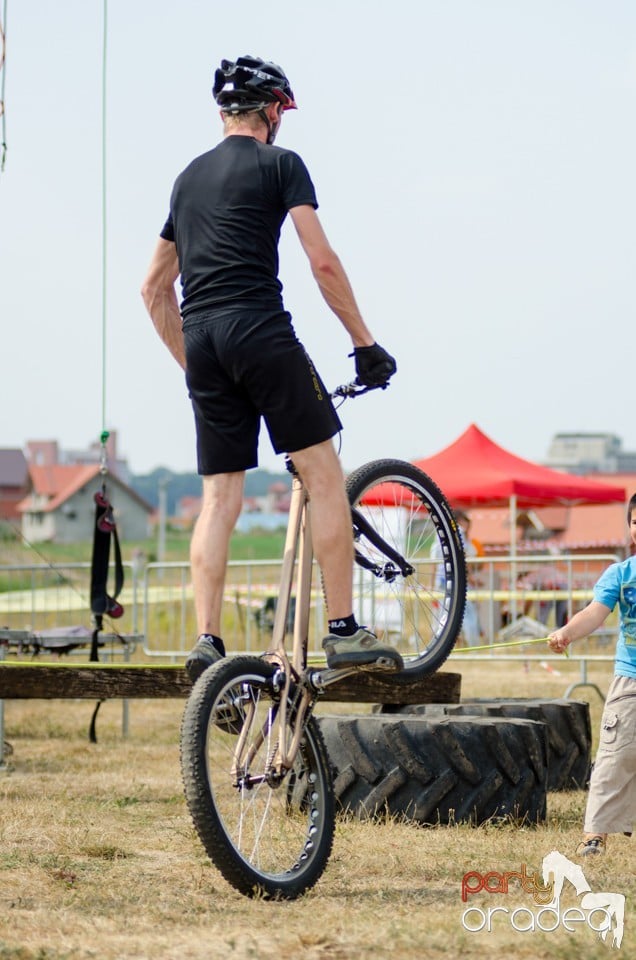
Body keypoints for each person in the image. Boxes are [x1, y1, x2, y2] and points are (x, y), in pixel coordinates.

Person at [141, 55, 401, 682]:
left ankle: (208, 643)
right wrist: (365, 342)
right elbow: (323, 263)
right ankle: (343, 632)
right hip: (259, 326)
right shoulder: (281, 164)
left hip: (201, 340)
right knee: (323, 474)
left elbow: (153, 288)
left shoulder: (186, 179)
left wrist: (196, 370)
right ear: (273, 110)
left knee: (218, 496)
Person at [548, 493, 636, 856]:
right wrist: (567, 632)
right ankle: (595, 834)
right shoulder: (620, 574)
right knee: (615, 756)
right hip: (630, 680)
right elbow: (595, 613)